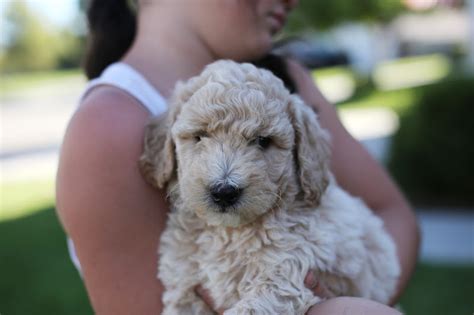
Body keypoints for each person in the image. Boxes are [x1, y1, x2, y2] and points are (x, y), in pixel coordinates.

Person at [55, 0, 419, 314]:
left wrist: (355, 292)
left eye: (261, 142)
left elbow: (395, 215)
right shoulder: (108, 125)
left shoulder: (287, 78)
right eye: (199, 137)